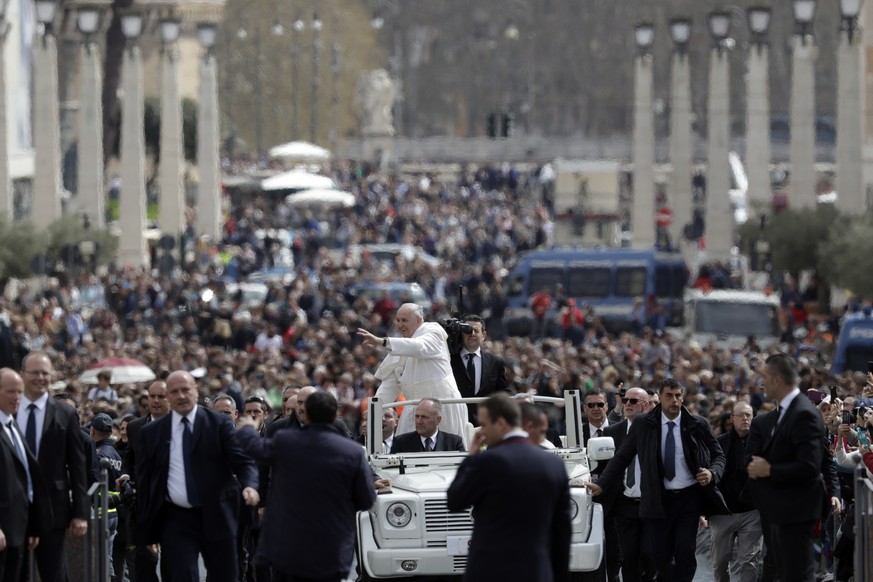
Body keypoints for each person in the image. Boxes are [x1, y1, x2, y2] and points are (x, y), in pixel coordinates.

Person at [587, 378, 728, 582]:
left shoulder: (697, 424)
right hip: (658, 498)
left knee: (684, 551)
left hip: (688, 499)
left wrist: (712, 473)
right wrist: (601, 484)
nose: (674, 400)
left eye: (678, 396)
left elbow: (719, 455)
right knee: (659, 556)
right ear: (660, 398)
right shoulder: (644, 424)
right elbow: (622, 456)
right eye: (669, 396)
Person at [236, 390, 376, 582]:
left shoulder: (286, 441)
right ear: (336, 415)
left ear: (307, 414)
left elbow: (256, 449)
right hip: (331, 549)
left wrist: (249, 429)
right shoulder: (352, 452)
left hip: (289, 548)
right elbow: (367, 500)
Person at [134, 370, 259, 582]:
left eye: (185, 390)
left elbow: (243, 461)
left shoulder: (219, 424)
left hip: (218, 512)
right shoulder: (152, 433)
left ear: (196, 391)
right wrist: (148, 530)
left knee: (225, 576)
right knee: (183, 575)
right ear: (169, 396)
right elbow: (146, 482)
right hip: (176, 518)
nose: (181, 396)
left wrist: (249, 485)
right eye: (175, 392)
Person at [446, 394, 571, 582]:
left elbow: (454, 500)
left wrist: (471, 457)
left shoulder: (486, 462)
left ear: (501, 423)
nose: (482, 432)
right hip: (536, 571)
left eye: (485, 424)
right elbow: (562, 532)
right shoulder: (554, 464)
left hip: (489, 572)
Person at [743, 354, 825, 582]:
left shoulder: (803, 414)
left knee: (796, 575)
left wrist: (769, 470)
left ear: (777, 380)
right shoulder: (789, 411)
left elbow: (809, 466)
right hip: (782, 510)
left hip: (796, 511)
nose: (762, 384)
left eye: (765, 378)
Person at [16, 351, 89, 582]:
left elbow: (78, 466)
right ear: (22, 375)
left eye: (45, 373)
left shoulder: (65, 413)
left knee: (54, 574)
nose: (40, 377)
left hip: (53, 510)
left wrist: (80, 513)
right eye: (34, 372)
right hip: (14, 508)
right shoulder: (8, 409)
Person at [358, 303, 469, 445]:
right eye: (397, 320)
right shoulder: (402, 346)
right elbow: (389, 386)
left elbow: (420, 346)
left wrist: (382, 341)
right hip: (413, 409)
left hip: (443, 407)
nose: (399, 325)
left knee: (448, 453)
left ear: (418, 320)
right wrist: (374, 413)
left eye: (404, 320)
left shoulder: (433, 331)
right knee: (405, 456)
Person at [600, 387, 656, 582]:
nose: (628, 405)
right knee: (629, 558)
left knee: (650, 556)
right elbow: (606, 467)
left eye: (634, 401)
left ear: (647, 405)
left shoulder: (657, 430)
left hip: (651, 504)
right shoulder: (611, 432)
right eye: (625, 401)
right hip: (624, 504)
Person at [0, 368, 50, 582]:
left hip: (20, 528)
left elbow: (26, 477)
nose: (17, 398)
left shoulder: (13, 426)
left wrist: (33, 524)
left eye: (20, 392)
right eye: (11, 392)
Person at [119, 380, 168, 582]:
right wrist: (125, 475)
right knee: (144, 559)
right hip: (142, 504)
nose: (155, 401)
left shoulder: (179, 426)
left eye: (160, 397)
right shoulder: (135, 427)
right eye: (152, 396)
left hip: (172, 502)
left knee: (173, 560)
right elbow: (129, 457)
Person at [708, 401, 761, 582]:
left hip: (752, 511)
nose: (745, 419)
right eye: (741, 415)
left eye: (749, 415)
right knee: (720, 562)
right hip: (722, 511)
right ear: (732, 418)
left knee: (750, 560)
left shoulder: (762, 443)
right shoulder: (719, 443)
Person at [450, 314, 508, 424]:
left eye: (476, 331)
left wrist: (518, 399)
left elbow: (502, 390)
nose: (472, 334)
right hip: (456, 421)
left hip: (485, 423)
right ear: (461, 333)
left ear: (483, 335)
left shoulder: (495, 362)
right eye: (467, 330)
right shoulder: (449, 360)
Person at [89, 413, 123, 582]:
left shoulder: (98, 453)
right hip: (114, 511)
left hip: (101, 511)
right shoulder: (115, 453)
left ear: (92, 430)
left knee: (102, 561)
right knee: (108, 556)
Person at [390, 398, 466, 453]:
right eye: (417, 416)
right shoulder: (401, 442)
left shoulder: (454, 443)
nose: (419, 421)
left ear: (438, 420)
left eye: (424, 417)